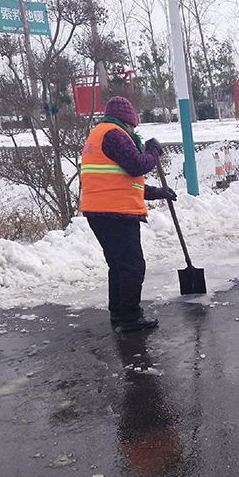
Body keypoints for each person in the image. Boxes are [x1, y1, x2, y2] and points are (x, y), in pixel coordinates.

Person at [80, 96, 177, 333]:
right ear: (127, 121)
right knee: (132, 266)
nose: (134, 130)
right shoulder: (114, 134)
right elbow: (137, 165)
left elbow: (121, 181)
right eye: (133, 125)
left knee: (119, 265)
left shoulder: (100, 134)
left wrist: (158, 192)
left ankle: (119, 313)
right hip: (115, 213)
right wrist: (154, 151)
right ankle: (131, 317)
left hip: (100, 210)